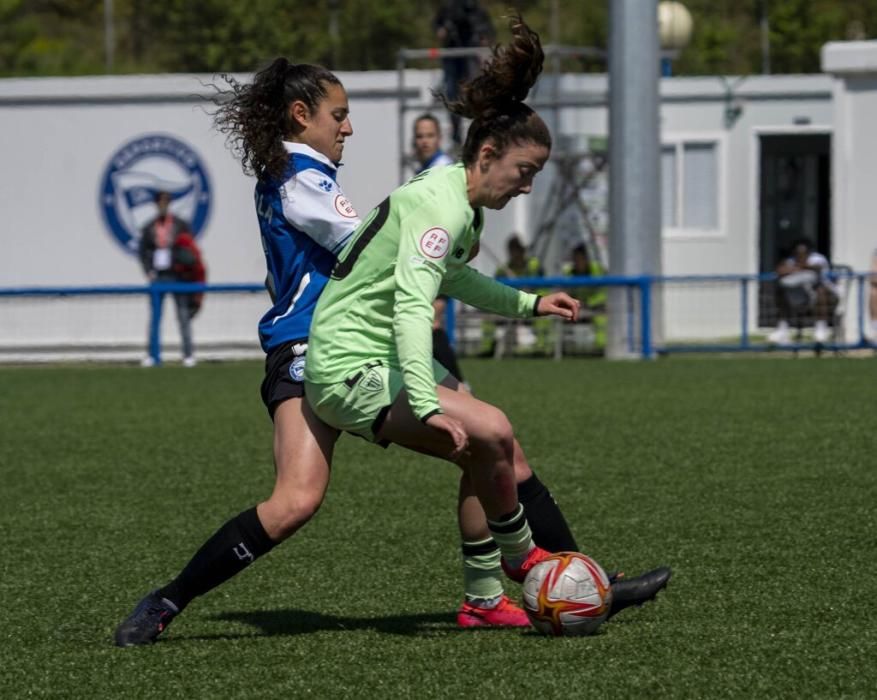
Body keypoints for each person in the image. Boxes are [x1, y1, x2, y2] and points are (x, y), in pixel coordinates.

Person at [114, 54, 600, 646]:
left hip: (346, 344)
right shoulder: (303, 179)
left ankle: (533, 586)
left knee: (493, 443)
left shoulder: (301, 174)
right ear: (301, 115)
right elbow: (376, 245)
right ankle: (547, 575)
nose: (348, 127)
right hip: (313, 347)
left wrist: (477, 269)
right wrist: (433, 232)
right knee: (302, 500)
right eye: (338, 115)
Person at [305, 13, 670, 619]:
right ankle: (530, 562)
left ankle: (493, 599)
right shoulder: (441, 208)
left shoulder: (461, 201)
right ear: (490, 153)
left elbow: (455, 278)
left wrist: (529, 303)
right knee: (492, 430)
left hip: (382, 358)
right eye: (524, 172)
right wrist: (424, 402)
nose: (527, 187)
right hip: (349, 367)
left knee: (502, 454)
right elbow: (412, 310)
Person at [138, 191, 201, 367]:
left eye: (166, 202)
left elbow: (190, 246)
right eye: (160, 202)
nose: (162, 205)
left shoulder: (180, 225)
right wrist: (148, 270)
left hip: (178, 275)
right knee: (155, 317)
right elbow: (143, 251)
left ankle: (188, 354)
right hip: (158, 276)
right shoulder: (149, 226)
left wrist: (185, 266)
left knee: (182, 315)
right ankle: (153, 355)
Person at [432, 0, 495, 148]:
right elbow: (437, 25)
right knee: (453, 94)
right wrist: (442, 30)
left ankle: (482, 132)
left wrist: (484, 37)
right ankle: (456, 136)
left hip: (471, 57)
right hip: (452, 58)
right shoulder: (448, 8)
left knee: (477, 95)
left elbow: (489, 31)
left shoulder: (477, 10)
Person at [768, 239, 838, 345]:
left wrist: (800, 267)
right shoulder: (790, 260)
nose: (800, 256)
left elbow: (818, 269)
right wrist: (795, 267)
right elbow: (780, 271)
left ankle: (821, 328)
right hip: (800, 295)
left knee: (820, 290)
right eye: (797, 253)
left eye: (803, 253)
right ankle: (782, 329)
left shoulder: (817, 258)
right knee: (781, 291)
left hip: (826, 296)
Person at [562, 243, 607, 353]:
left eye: (581, 258)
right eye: (576, 258)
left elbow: (604, 291)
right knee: (559, 316)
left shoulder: (597, 270)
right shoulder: (569, 273)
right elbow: (563, 292)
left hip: (595, 307)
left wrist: (590, 303)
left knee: (601, 319)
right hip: (576, 307)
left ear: (586, 258)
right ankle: (563, 350)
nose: (578, 261)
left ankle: (601, 349)